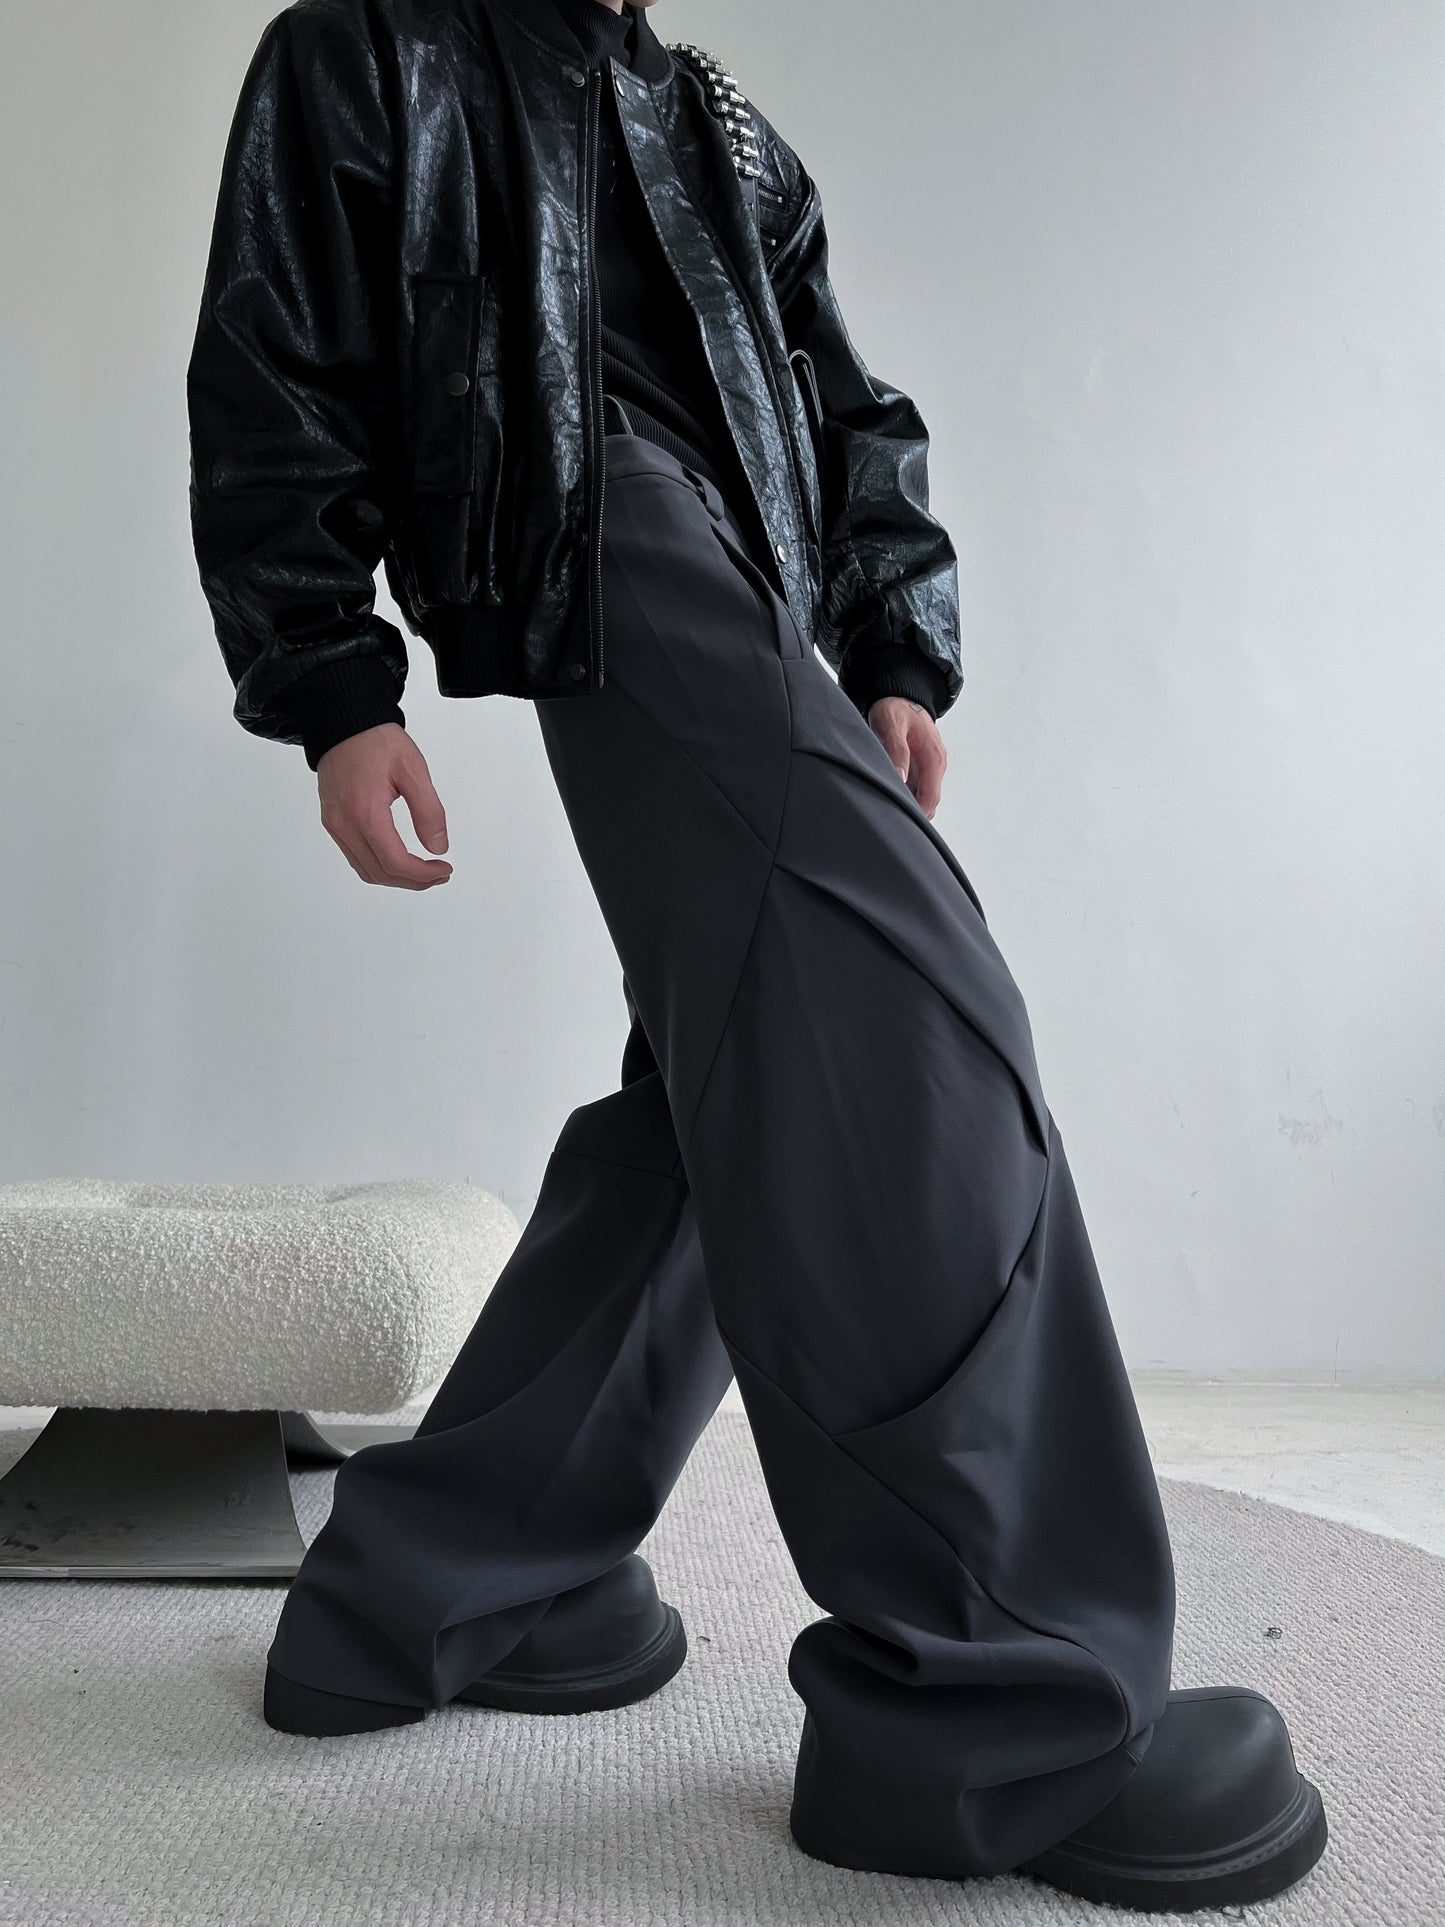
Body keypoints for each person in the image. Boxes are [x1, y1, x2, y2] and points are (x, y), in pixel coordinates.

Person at [186, 0, 1329, 1909]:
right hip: (599, 555)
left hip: (743, 591)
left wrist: (891, 641)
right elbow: (274, 362)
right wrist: (330, 687)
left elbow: (846, 406)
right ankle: (1001, 1711)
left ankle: (449, 1579)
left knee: (728, 1093)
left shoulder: (711, 116)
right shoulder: (375, 47)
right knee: (901, 1029)